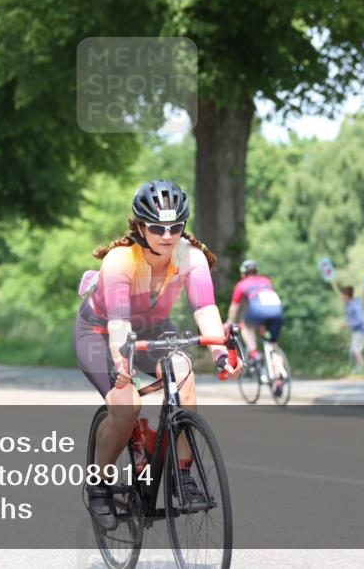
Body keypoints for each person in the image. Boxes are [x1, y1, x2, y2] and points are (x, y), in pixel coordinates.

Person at [73, 179, 241, 527]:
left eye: (175, 227)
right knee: (126, 403)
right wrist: (121, 364)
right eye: (157, 227)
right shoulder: (121, 260)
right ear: (139, 226)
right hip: (100, 329)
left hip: (150, 328)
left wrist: (221, 352)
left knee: (183, 372)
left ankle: (184, 475)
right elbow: (119, 323)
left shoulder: (192, 257)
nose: (167, 235)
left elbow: (205, 309)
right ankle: (99, 484)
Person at [226, 259, 287, 396]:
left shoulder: (242, 284)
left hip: (259, 311)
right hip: (277, 311)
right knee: (273, 346)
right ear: (257, 272)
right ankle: (279, 376)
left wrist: (230, 321)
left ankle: (254, 354)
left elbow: (234, 307)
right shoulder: (266, 281)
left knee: (245, 327)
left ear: (243, 274)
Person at [341, 286, 364, 373]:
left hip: (360, 330)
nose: (341, 297)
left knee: (355, 349)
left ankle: (363, 367)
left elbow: (360, 319)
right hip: (356, 330)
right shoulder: (349, 305)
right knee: (355, 349)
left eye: (343, 296)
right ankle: (358, 369)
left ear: (347, 295)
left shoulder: (355, 305)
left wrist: (349, 324)